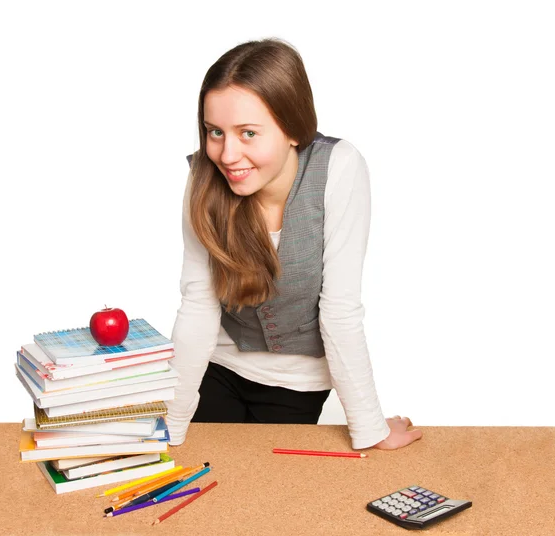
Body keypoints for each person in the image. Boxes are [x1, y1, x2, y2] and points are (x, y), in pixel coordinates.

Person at [165, 37, 422, 451]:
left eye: (248, 133)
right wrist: (170, 427)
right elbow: (197, 305)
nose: (228, 154)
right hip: (219, 366)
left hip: (295, 382)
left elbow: (339, 309)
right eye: (215, 132)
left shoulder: (339, 168)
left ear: (292, 128)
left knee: (267, 492)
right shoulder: (203, 177)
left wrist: (371, 428)